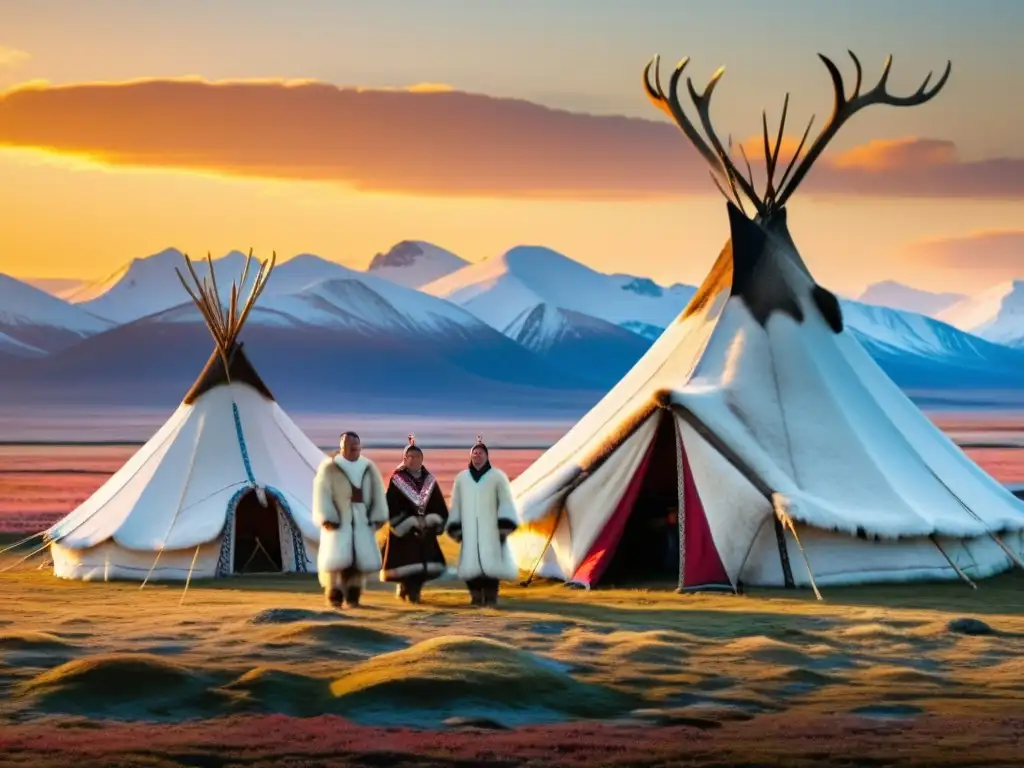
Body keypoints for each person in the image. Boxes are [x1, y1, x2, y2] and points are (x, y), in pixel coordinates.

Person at [312, 431, 388, 608]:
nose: (354, 449)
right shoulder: (329, 468)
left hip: (362, 520)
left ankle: (354, 596)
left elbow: (377, 493)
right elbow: (322, 493)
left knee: (358, 562)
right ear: (342, 446)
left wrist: (378, 516)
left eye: (356, 445)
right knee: (336, 562)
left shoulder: (368, 467)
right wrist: (327, 516)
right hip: (339, 522)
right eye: (350, 445)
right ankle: (334, 596)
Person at [446, 435, 519, 607]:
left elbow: (506, 501)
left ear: (487, 456)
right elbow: (456, 503)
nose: (477, 456)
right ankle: (476, 597)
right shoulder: (462, 479)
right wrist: (456, 527)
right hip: (469, 529)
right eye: (474, 453)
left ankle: (491, 597)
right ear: (470, 456)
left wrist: (504, 527)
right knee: (471, 566)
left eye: (480, 453)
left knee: (491, 566)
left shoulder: (498, 477)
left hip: (491, 529)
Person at [380, 435, 449, 603]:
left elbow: (438, 504)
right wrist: (407, 521)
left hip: (425, 531)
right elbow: (391, 505)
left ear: (422, 459)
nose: (413, 460)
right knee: (407, 566)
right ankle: (408, 591)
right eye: (409, 457)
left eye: (416, 456)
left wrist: (431, 519)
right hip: (404, 532)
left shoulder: (429, 481)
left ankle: (413, 592)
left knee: (421, 567)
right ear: (404, 459)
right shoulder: (397, 480)